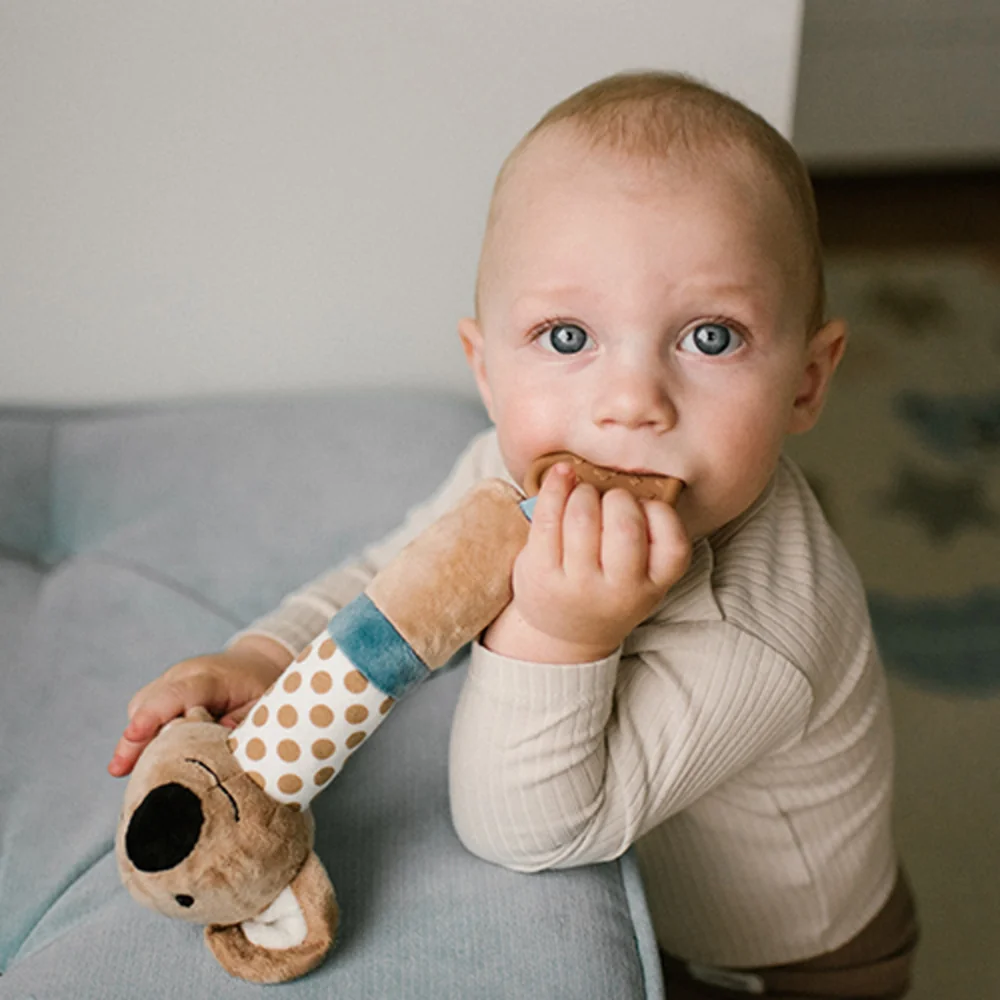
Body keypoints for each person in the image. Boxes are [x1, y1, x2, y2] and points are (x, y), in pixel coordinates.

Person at [109, 71, 918, 998]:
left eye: (710, 337)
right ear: (486, 370)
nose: (629, 404)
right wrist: (265, 654)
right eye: (568, 338)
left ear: (808, 382)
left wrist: (559, 635)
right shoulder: (515, 468)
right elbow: (394, 579)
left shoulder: (761, 632)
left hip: (779, 966)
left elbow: (526, 829)